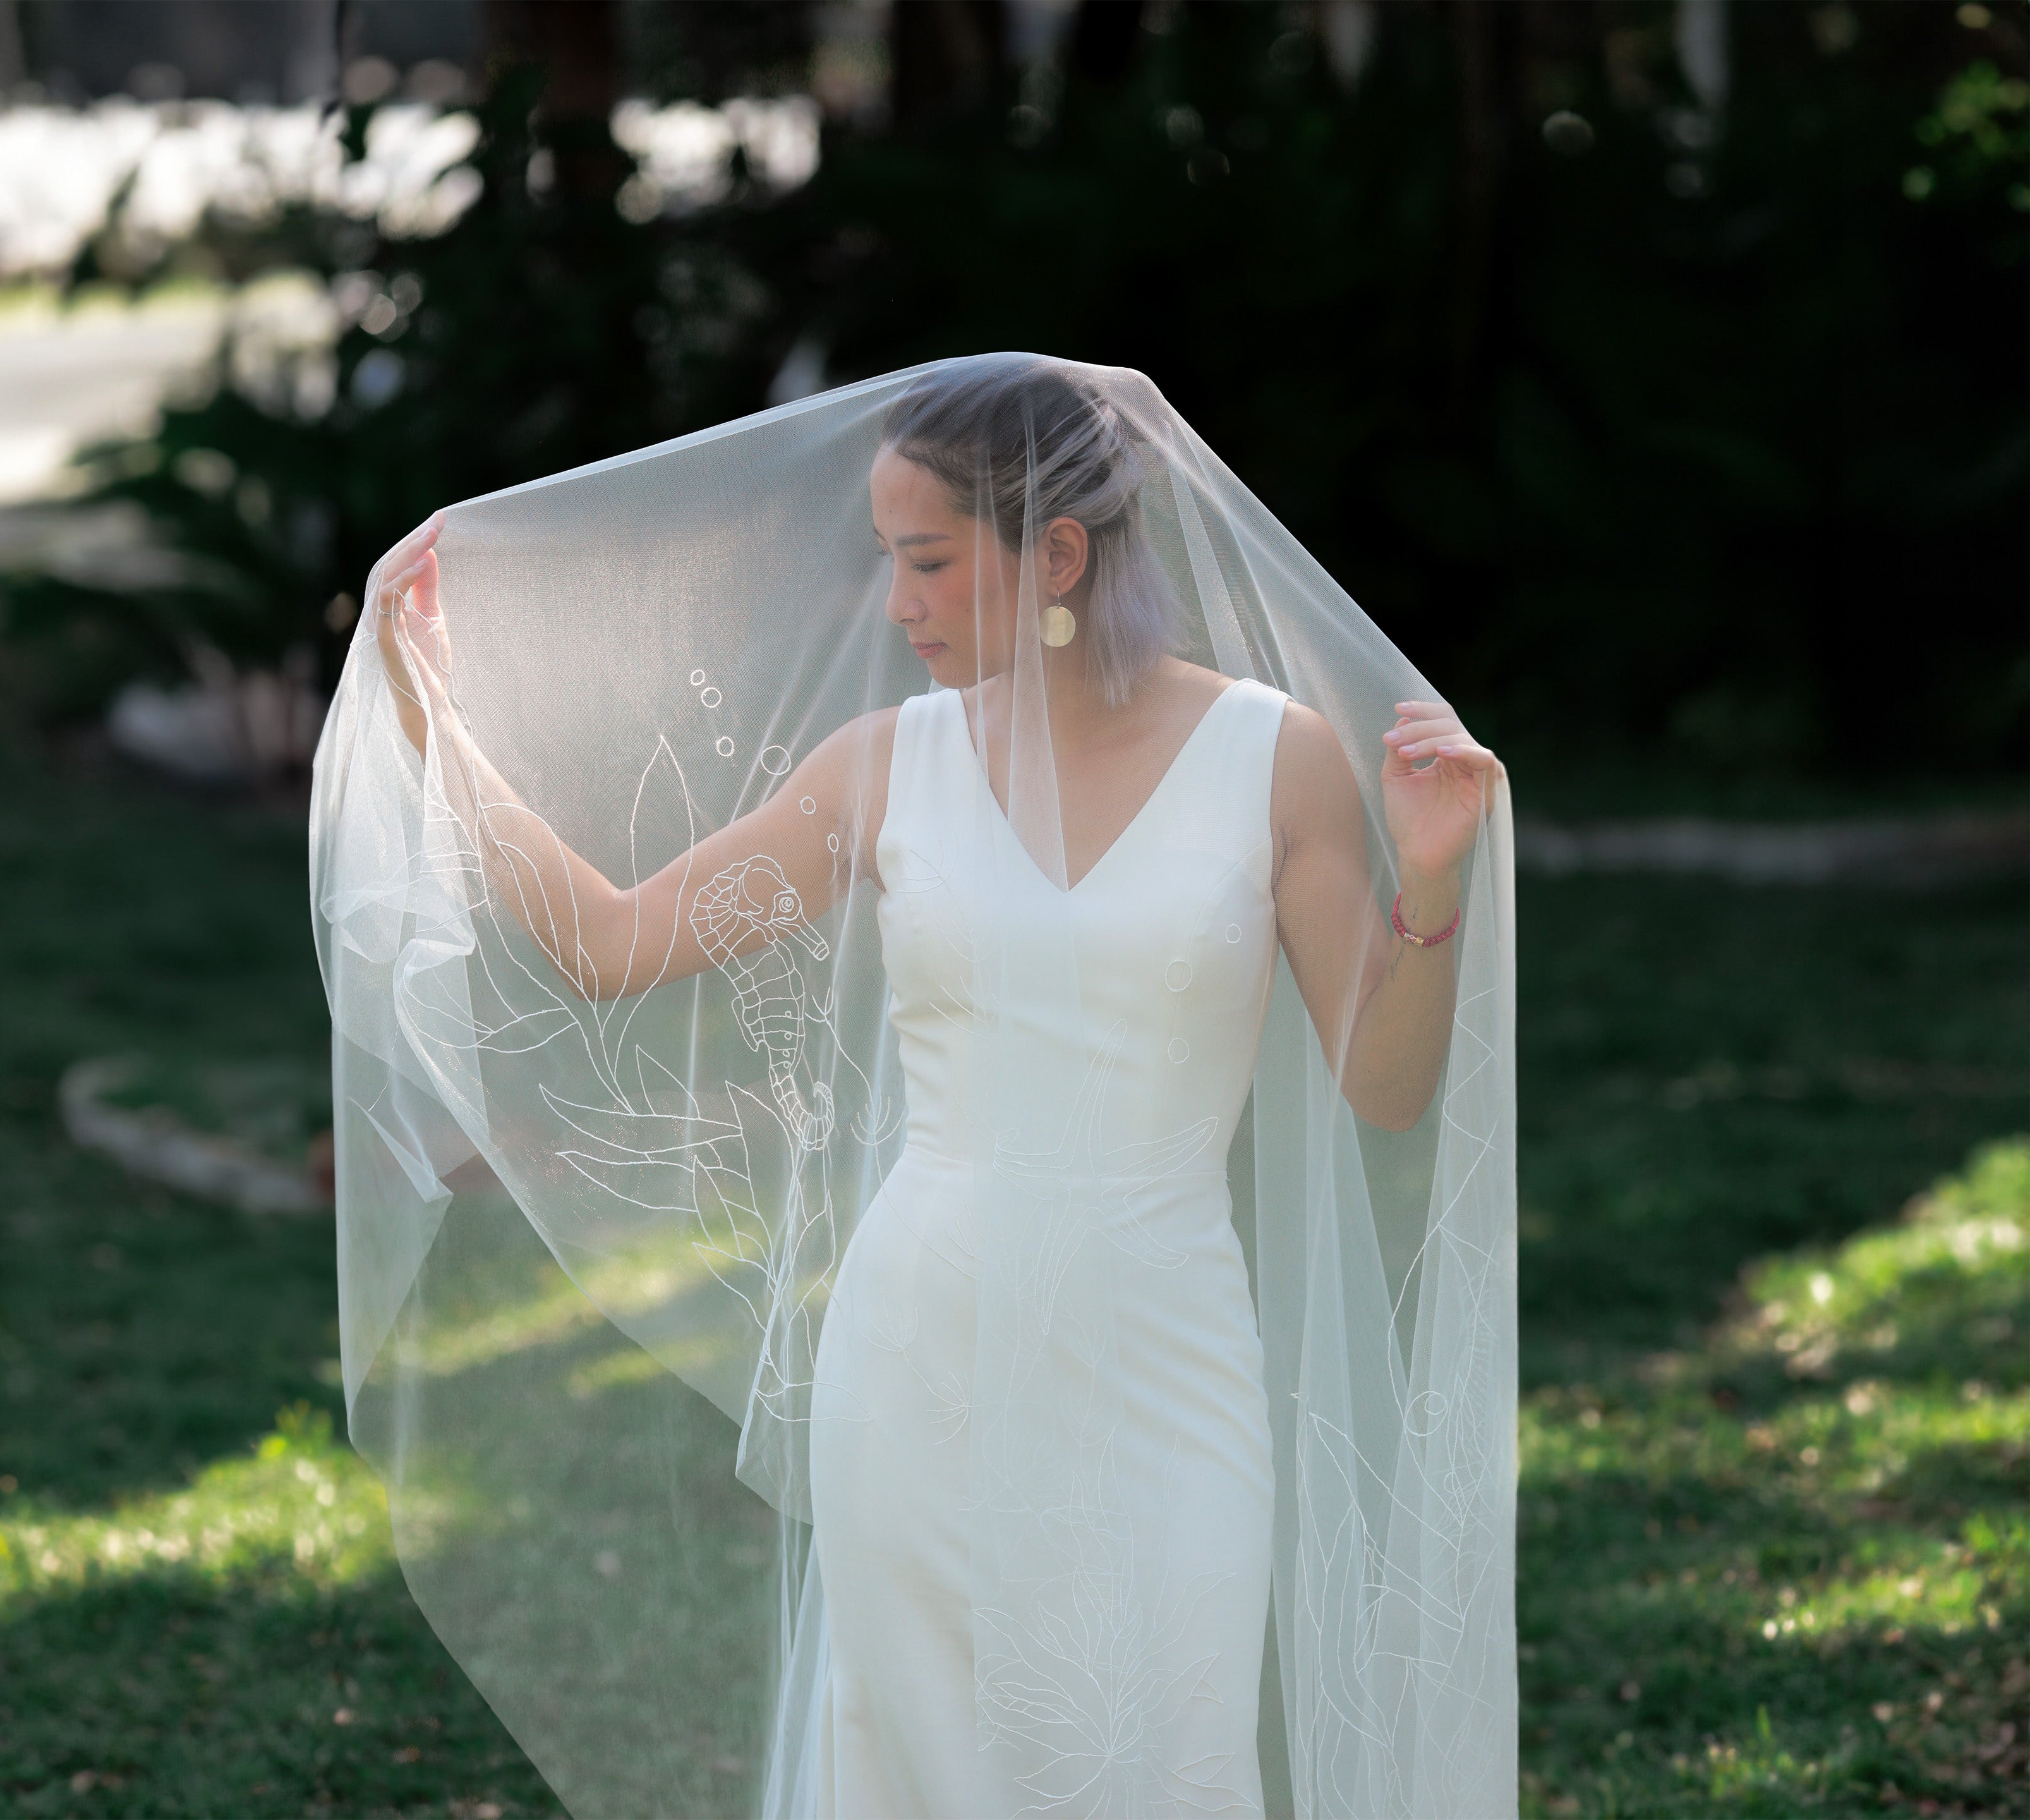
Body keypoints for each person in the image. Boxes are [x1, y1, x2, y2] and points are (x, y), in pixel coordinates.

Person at [314, 355, 1517, 1819]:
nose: (899, 604)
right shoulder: (882, 770)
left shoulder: (1280, 764)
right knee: (924, 1765)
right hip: (922, 1358)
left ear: (1058, 553)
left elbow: (1386, 1090)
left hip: (1170, 1356)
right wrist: (436, 713)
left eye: (930, 561)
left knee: (1171, 1755)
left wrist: (1433, 887)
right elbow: (612, 947)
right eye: (890, 560)